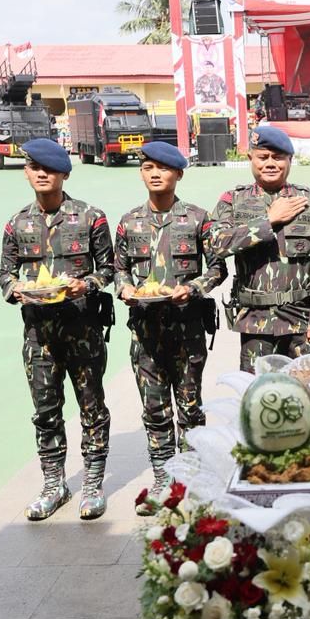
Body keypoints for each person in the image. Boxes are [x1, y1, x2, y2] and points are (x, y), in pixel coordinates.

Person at [0, 139, 114, 521]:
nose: (42, 174)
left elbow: (109, 269)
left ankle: (93, 483)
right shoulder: (17, 223)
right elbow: (5, 275)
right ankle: (54, 485)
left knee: (91, 408)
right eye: (34, 167)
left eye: (49, 168)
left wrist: (86, 284)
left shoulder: (90, 217)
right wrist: (16, 290)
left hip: (83, 330)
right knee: (45, 412)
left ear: (64, 173)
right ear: (26, 173)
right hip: (39, 336)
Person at [116, 142, 226, 513]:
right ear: (141, 173)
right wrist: (124, 288)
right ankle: (163, 477)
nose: (155, 174)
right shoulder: (129, 221)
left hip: (187, 330)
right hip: (145, 333)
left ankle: (192, 476)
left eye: (163, 168)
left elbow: (217, 268)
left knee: (190, 409)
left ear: (178, 173)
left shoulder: (197, 218)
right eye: (148, 167)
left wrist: (193, 288)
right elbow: (118, 268)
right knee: (155, 410)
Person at [211, 127, 310, 372]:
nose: (270, 163)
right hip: (254, 322)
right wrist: (268, 222)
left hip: (301, 320)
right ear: (251, 158)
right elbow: (217, 244)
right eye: (263, 157)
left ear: (290, 159)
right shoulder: (232, 201)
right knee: (259, 391)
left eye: (278, 157)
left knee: (307, 389)